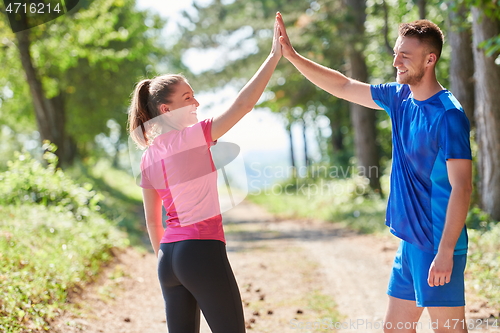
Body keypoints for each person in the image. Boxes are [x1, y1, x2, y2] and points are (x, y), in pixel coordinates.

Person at [276, 12, 472, 333]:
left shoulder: (449, 116)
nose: (396, 62)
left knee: (449, 330)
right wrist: (293, 56)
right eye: (395, 53)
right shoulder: (400, 98)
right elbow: (342, 85)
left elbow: (462, 188)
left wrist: (446, 251)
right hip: (410, 243)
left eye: (405, 56)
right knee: (395, 329)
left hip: (437, 243)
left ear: (430, 59)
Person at [126, 15, 282, 333]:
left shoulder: (148, 156)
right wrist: (273, 57)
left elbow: (153, 221)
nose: (196, 102)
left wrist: (167, 263)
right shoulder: (195, 136)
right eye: (187, 98)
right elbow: (243, 105)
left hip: (168, 258)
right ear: (167, 110)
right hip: (201, 250)